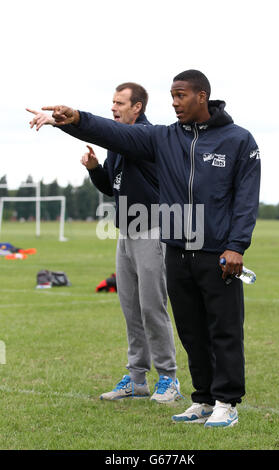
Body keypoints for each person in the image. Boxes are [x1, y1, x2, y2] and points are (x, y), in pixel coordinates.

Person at [28, 69, 261, 427]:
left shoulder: (238, 140)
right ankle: (201, 399)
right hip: (175, 248)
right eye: (172, 95)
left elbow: (246, 199)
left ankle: (226, 403)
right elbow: (114, 132)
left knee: (224, 329)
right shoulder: (164, 138)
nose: (174, 102)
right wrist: (75, 119)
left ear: (202, 96)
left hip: (216, 252)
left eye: (181, 95)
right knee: (190, 329)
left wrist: (236, 246)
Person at [27, 83, 181, 404]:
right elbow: (112, 186)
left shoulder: (145, 136)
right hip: (125, 234)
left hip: (152, 233)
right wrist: (95, 169)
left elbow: (106, 131)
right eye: (112, 101)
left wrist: (67, 120)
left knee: (153, 309)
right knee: (131, 310)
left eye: (119, 102)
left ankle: (168, 378)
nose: (113, 107)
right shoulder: (119, 142)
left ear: (137, 108)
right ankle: (137, 379)